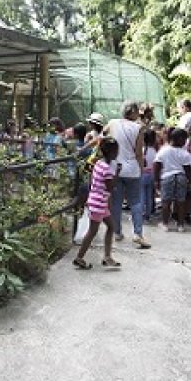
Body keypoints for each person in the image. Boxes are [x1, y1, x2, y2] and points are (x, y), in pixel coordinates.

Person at [103, 101, 151, 249]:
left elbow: (104, 135)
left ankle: (117, 232)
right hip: (132, 169)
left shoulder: (112, 123)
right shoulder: (138, 128)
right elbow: (138, 152)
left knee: (116, 202)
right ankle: (137, 234)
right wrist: (140, 169)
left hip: (115, 168)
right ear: (134, 112)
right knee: (135, 202)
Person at [73, 136, 122, 269]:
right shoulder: (106, 168)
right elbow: (110, 187)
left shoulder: (98, 163)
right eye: (116, 150)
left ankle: (107, 257)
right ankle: (79, 257)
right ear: (111, 152)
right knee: (92, 231)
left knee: (111, 227)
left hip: (97, 201)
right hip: (99, 203)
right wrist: (117, 172)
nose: (118, 153)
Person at [154, 128, 191, 232]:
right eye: (184, 139)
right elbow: (188, 169)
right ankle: (180, 225)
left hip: (167, 177)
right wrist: (190, 181)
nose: (185, 142)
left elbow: (157, 165)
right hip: (181, 177)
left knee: (166, 202)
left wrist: (156, 180)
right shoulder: (184, 153)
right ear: (180, 139)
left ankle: (165, 224)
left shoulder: (164, 150)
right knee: (181, 202)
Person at [141, 129, 157, 223]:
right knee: (149, 195)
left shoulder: (142, 150)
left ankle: (142, 214)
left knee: (142, 195)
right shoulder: (154, 151)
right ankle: (147, 214)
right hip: (151, 175)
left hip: (142, 174)